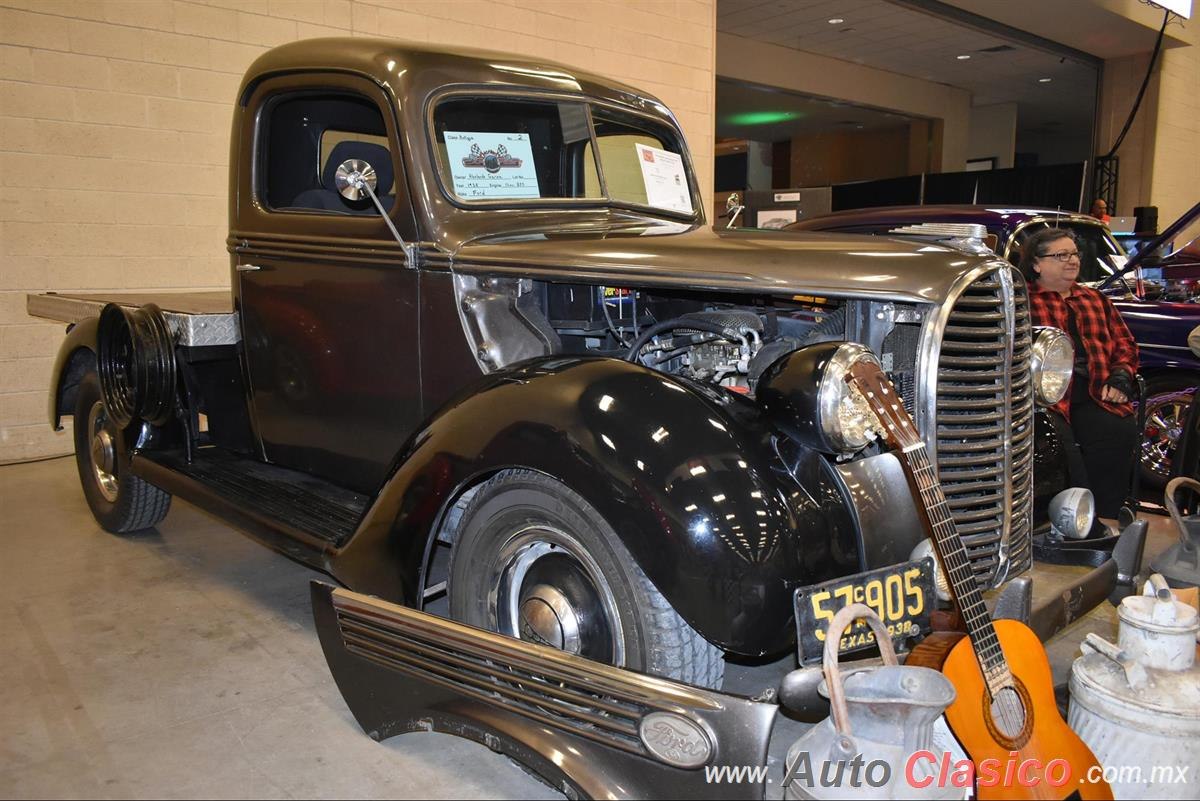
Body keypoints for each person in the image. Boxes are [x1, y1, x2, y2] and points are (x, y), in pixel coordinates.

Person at [1022, 227, 1139, 518]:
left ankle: (1108, 517)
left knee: (1117, 431)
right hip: (1045, 401)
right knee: (1059, 451)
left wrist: (1121, 375)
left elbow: (1125, 344)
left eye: (1074, 254)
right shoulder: (1021, 301)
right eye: (1061, 255)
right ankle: (1074, 521)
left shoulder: (1095, 300)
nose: (1072, 260)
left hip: (1095, 391)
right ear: (1037, 264)